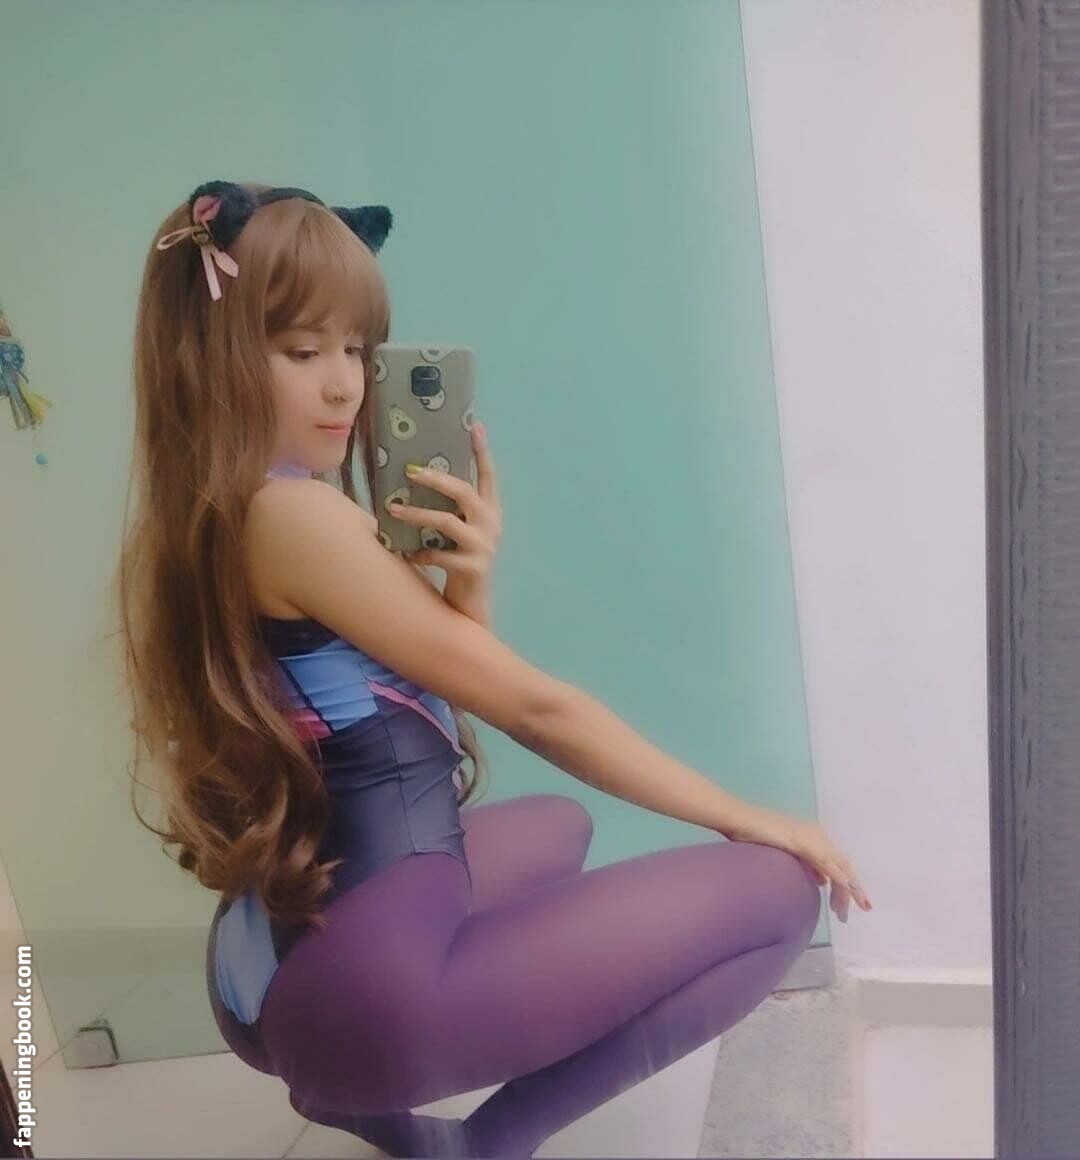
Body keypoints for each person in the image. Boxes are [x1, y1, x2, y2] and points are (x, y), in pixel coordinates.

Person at [115, 180, 872, 1159]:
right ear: (209, 357)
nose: (345, 386)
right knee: (780, 892)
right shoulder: (299, 516)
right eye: (302, 352)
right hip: (367, 999)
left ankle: (362, 1098)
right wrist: (746, 815)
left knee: (560, 823)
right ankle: (486, 1144)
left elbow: (424, 696)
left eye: (356, 349)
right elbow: (533, 707)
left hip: (264, 970)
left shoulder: (212, 511)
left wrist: (466, 589)